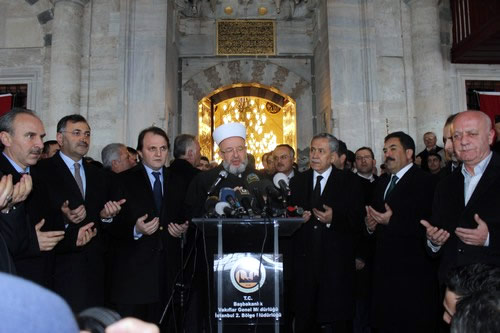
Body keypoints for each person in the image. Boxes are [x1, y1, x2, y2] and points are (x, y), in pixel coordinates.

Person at [36, 114, 125, 312]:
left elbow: (103, 221)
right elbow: (35, 215)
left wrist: (106, 216)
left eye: (87, 134)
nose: (83, 139)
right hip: (58, 268)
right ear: (60, 138)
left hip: (94, 269)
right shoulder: (41, 171)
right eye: (76, 133)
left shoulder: (99, 175)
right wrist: (64, 219)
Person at [108, 127, 187, 327]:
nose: (158, 154)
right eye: (152, 149)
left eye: (163, 148)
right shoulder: (123, 180)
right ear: (140, 152)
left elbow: (187, 216)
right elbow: (111, 225)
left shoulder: (180, 181)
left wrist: (183, 229)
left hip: (169, 273)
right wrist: (136, 230)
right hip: (135, 276)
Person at [289, 133, 364, 333]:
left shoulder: (349, 182)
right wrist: (296, 220)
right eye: (313, 150)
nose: (314, 155)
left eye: (321, 151)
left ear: (332, 156)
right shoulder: (297, 182)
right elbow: (289, 216)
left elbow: (357, 220)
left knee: (337, 322)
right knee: (306, 321)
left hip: (335, 267)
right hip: (305, 267)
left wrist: (334, 219)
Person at [366, 131, 439, 332]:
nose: (387, 154)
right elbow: (376, 219)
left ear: (409, 153)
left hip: (413, 271)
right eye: (384, 150)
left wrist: (393, 221)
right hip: (383, 271)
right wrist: (370, 226)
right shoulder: (380, 183)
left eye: (392, 149)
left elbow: (429, 222)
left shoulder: (426, 182)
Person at [421, 110, 500, 283]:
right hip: (453, 290)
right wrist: (434, 242)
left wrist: (489, 238)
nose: (463, 141)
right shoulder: (445, 183)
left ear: (490, 136)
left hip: (493, 292)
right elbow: (438, 230)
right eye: (456, 136)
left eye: (472, 134)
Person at [0, 108, 64, 284]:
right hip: (12, 283)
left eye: (41, 137)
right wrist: (30, 242)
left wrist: (68, 221)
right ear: (6, 138)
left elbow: (49, 227)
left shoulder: (44, 174)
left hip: (45, 279)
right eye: (30, 136)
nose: (39, 144)